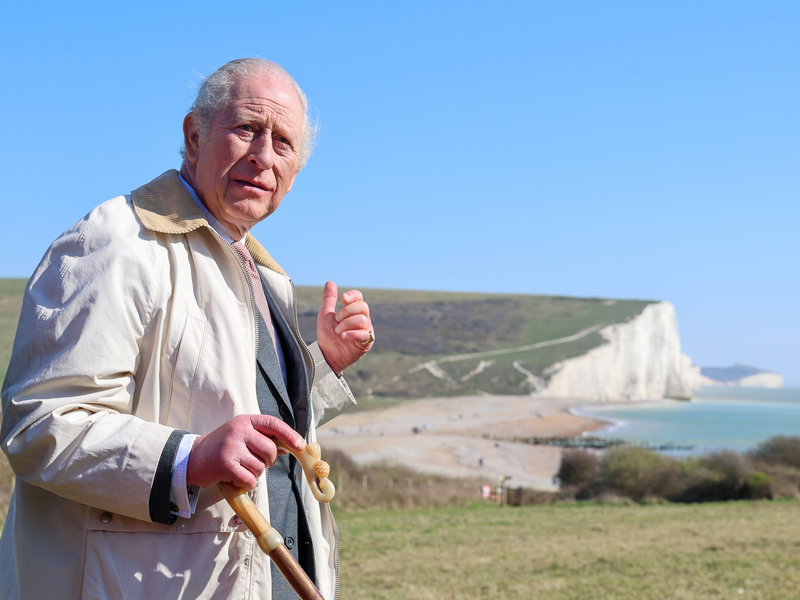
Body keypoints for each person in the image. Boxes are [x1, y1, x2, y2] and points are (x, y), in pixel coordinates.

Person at [0, 58, 374, 600]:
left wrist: (320, 365)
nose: (264, 156)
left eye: (284, 143)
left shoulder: (263, 274)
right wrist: (188, 457)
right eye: (247, 128)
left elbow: (222, 405)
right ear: (194, 135)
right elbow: (39, 424)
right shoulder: (118, 240)